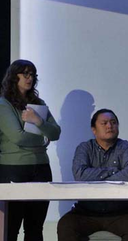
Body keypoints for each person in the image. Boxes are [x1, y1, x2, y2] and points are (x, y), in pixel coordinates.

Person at [57, 109, 128, 241]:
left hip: (121, 212)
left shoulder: (126, 147)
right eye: (104, 123)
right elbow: (80, 175)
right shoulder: (84, 148)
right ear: (94, 130)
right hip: (87, 211)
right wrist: (113, 170)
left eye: (113, 122)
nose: (110, 126)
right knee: (65, 224)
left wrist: (95, 177)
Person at [0, 59, 61, 241]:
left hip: (41, 168)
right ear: (14, 76)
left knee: (35, 228)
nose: (30, 78)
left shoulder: (38, 103)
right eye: (25, 74)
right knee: (11, 228)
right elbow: (17, 136)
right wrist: (43, 139)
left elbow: (56, 132)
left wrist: (38, 121)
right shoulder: (4, 104)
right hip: (14, 169)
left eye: (33, 75)